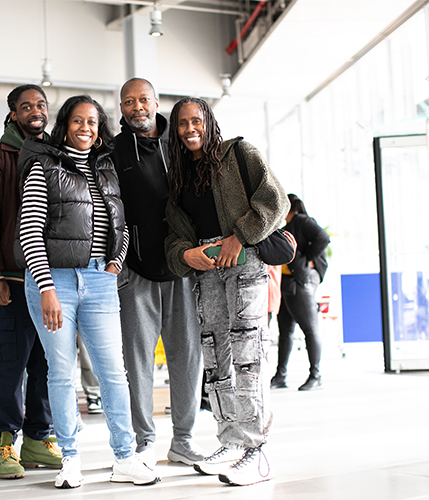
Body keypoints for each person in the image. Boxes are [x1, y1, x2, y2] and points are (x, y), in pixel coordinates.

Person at [17, 95, 158, 489]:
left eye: (92, 123)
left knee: (114, 373)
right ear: (65, 125)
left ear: (100, 129)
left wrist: (115, 263)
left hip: (99, 280)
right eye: (77, 121)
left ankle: (125, 457)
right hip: (54, 281)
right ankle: (71, 460)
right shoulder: (43, 165)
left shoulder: (108, 168)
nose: (85, 128)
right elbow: (29, 228)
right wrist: (45, 287)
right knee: (61, 374)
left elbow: (122, 223)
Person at [164, 98, 288, 486]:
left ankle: (256, 451)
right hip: (209, 271)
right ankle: (231, 440)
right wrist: (188, 254)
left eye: (195, 120)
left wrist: (240, 236)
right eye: (182, 123)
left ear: (208, 121)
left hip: (246, 261)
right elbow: (175, 233)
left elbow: (275, 201)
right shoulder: (181, 174)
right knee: (216, 358)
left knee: (247, 356)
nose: (189, 128)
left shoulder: (239, 153)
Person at [0, 85, 62, 479]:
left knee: (47, 364)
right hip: (11, 277)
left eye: (40, 105)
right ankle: (3, 441)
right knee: (12, 364)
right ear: (12, 114)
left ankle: (39, 439)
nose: (35, 111)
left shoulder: (56, 151)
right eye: (26, 107)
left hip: (52, 284)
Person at [112, 78, 204, 467]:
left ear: (155, 102)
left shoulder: (181, 144)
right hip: (137, 272)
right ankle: (144, 441)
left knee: (188, 358)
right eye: (129, 101)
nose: (137, 107)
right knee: (138, 362)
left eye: (144, 99)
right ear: (121, 106)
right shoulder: (113, 150)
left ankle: (183, 439)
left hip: (184, 269)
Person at [270, 194, 329, 391]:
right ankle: (281, 376)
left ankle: (316, 375)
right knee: (285, 331)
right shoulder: (284, 226)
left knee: (310, 328)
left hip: (300, 281)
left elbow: (323, 237)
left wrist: (306, 259)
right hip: (287, 283)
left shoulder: (301, 221)